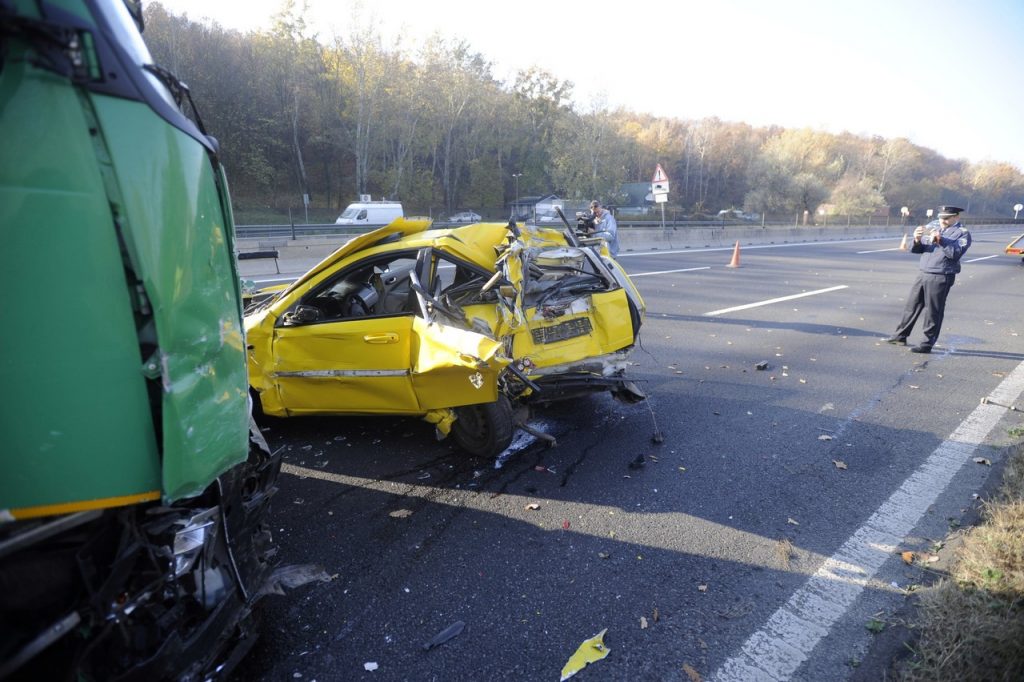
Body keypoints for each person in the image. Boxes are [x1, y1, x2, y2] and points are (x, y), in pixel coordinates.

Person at [884, 205, 971, 353]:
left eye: (946, 218)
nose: (942, 221)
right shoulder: (933, 227)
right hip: (924, 272)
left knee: (933, 311)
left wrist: (941, 239)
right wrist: (917, 239)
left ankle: (926, 343)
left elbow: (955, 253)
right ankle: (900, 336)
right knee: (911, 306)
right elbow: (917, 249)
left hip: (942, 274)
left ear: (956, 217)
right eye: (940, 218)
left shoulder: (962, 233)